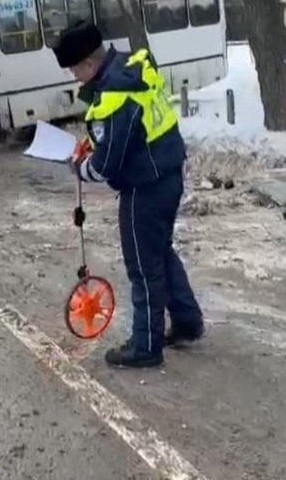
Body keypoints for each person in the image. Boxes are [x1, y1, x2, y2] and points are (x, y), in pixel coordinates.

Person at [52, 20, 205, 368]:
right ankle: (187, 322)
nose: (76, 77)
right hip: (167, 173)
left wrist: (79, 168)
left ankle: (146, 346)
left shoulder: (114, 94)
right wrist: (92, 143)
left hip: (144, 188)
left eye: (75, 69)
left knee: (143, 267)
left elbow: (108, 163)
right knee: (160, 254)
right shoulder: (130, 67)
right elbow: (127, 133)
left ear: (90, 63)